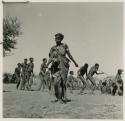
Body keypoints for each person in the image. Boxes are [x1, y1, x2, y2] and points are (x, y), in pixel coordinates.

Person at [47, 33, 78, 103]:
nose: (57, 39)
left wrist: (75, 62)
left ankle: (61, 98)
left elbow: (69, 55)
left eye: (58, 38)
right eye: (56, 38)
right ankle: (59, 97)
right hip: (55, 66)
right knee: (55, 82)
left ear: (61, 39)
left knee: (61, 82)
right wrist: (47, 64)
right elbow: (51, 57)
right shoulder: (53, 48)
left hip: (63, 65)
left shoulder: (64, 45)